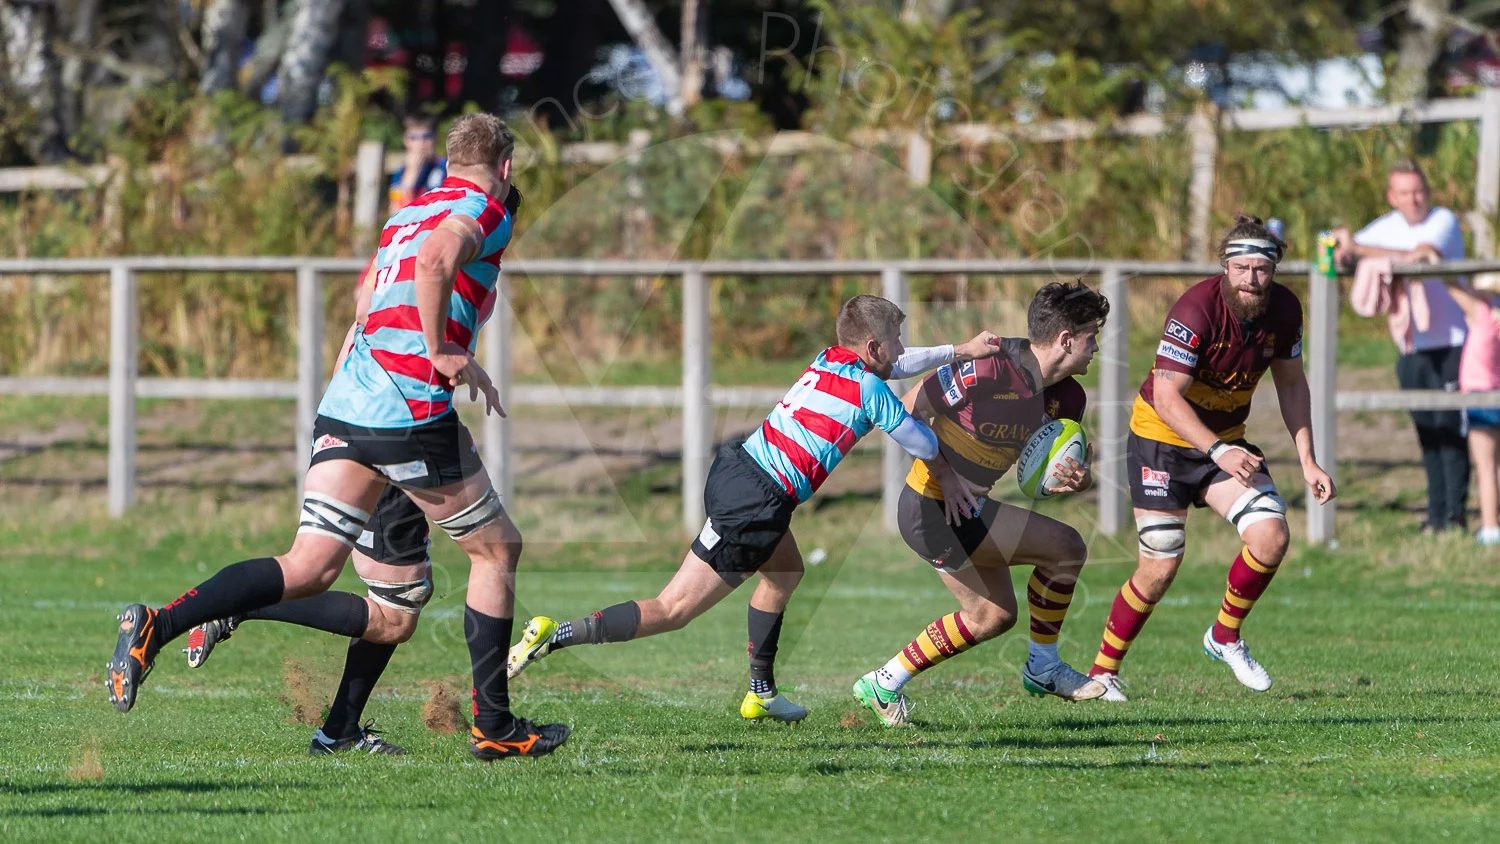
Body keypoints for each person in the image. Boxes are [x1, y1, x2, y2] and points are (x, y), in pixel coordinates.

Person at [106, 113, 571, 760]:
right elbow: (437, 261)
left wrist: (356, 404)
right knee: (496, 552)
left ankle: (157, 625)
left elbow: (364, 310)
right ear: (506, 167)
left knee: (311, 568)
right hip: (407, 408)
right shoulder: (485, 209)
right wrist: (442, 350)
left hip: (349, 403)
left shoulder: (406, 215)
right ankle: (493, 726)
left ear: (448, 160)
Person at [505, 296, 1005, 723]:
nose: (901, 347)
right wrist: (949, 474)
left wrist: (960, 351)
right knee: (673, 609)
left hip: (742, 471)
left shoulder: (831, 359)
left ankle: (761, 693)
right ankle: (554, 634)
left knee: (785, 573)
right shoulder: (869, 389)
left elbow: (900, 364)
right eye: (895, 339)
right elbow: (920, 441)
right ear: (872, 348)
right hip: (756, 503)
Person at [180, 187, 519, 755]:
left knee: (399, 602)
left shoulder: (414, 238)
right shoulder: (453, 249)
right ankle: (244, 607)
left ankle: (338, 730)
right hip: (386, 426)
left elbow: (371, 318)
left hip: (365, 416)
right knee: (396, 604)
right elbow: (380, 323)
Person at [1085, 214, 1337, 702]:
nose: (1251, 279)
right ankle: (1103, 672)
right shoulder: (1195, 309)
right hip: (1162, 437)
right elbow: (1166, 397)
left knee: (1271, 535)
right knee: (1161, 563)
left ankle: (1224, 636)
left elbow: (1291, 384)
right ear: (1225, 266)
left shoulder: (1285, 310)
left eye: (1261, 269)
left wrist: (1308, 460)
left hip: (1225, 441)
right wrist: (1219, 451)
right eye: (1241, 268)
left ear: (1274, 269)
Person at [851, 281, 1111, 727]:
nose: (1096, 348)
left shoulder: (1070, 398)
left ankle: (884, 681)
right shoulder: (990, 367)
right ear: (1066, 339)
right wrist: (945, 474)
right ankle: (1044, 667)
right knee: (1066, 547)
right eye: (1092, 337)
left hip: (967, 510)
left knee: (994, 616)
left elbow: (1041, 465)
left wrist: (1077, 479)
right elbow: (907, 412)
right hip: (930, 507)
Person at [1334, 160, 1470, 534]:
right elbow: (1348, 250)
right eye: (1405, 193)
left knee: (1451, 430)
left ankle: (1456, 516)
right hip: (1411, 347)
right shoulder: (1387, 227)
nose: (1414, 200)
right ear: (1392, 197)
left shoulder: (1443, 219)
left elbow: (1419, 253)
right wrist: (1343, 248)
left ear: (1429, 191)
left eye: (1419, 191)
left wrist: (1358, 247)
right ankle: (1436, 515)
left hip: (1453, 343)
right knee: (1427, 433)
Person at [1438, 278, 1500, 545]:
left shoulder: (1481, 313)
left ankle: (1490, 527)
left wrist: (1434, 264)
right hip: (1497, 394)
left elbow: (1451, 285)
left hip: (1480, 397)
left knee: (1486, 467)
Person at [389, 112, 448, 213]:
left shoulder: (445, 167)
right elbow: (396, 211)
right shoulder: (401, 171)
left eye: (427, 136)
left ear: (436, 138)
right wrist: (412, 172)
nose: (420, 143)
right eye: (413, 137)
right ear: (405, 140)